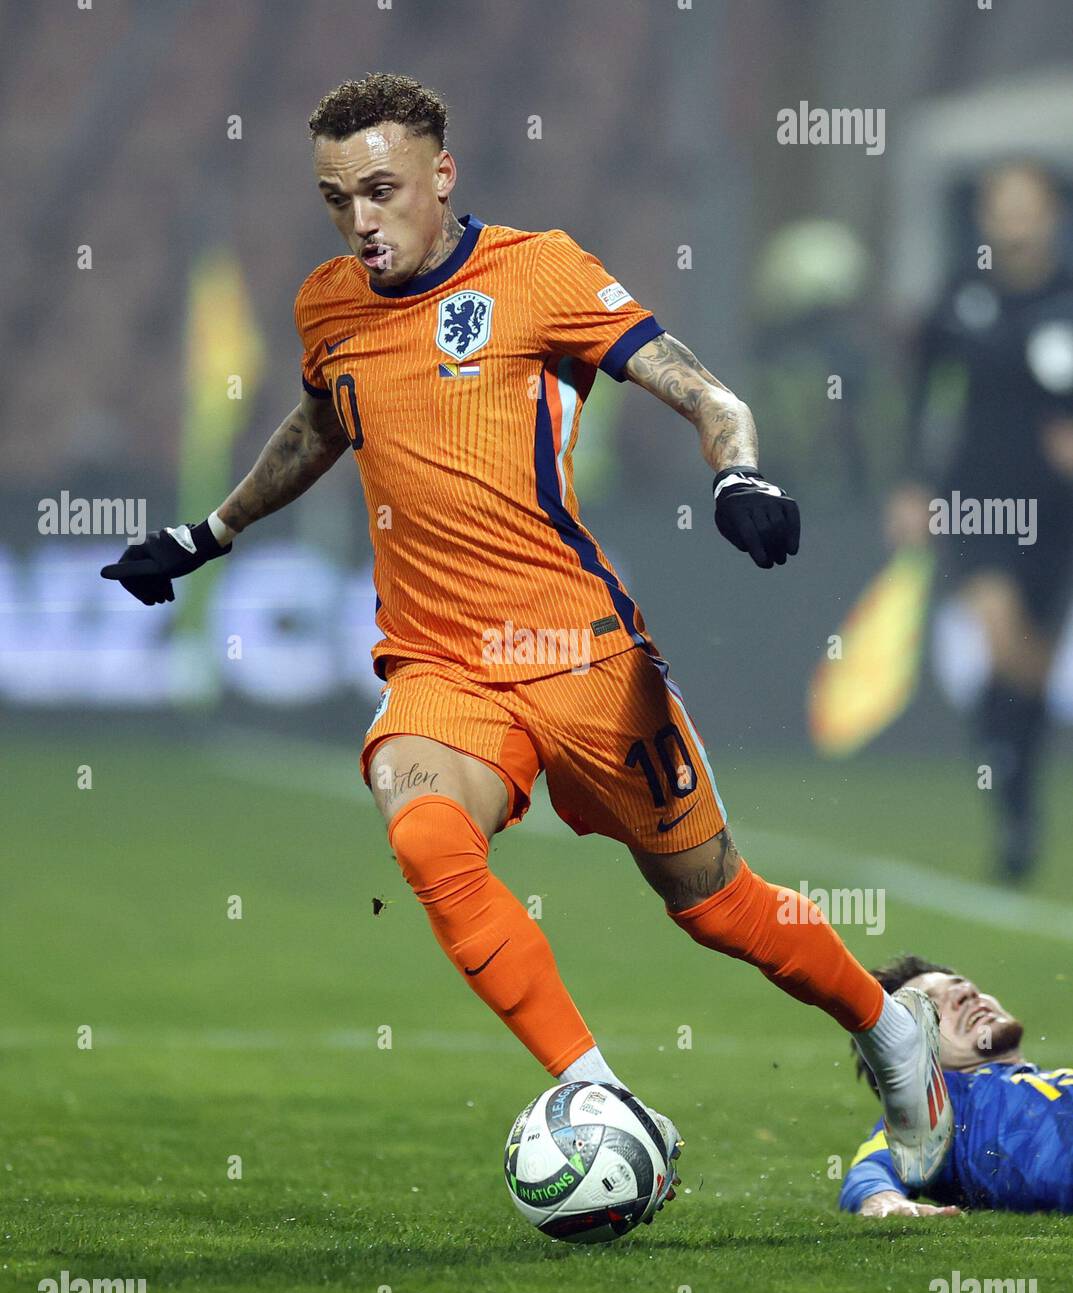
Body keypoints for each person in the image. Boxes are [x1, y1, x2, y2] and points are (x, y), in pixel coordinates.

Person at [101, 72, 950, 1232]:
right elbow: (322, 420)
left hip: (579, 653)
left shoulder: (537, 271)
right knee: (425, 835)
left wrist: (738, 476)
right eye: (337, 199)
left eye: (382, 191)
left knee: (713, 904)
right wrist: (210, 533)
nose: (360, 221)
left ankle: (887, 1030)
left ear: (441, 175)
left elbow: (704, 391)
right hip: (438, 665)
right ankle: (601, 1097)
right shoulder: (327, 306)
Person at [889, 161, 1073, 880]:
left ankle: (1017, 801)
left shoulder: (1066, 296)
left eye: (1027, 207)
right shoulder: (960, 297)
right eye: (1002, 207)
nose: (1014, 220)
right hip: (978, 502)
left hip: (1057, 509)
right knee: (1000, 637)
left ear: (1051, 214)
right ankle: (1012, 805)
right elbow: (921, 395)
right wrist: (913, 483)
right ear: (986, 218)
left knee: (1034, 665)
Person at [841, 954, 1072, 1217]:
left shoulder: (1056, 1077)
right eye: (930, 1005)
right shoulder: (936, 1112)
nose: (967, 992)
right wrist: (884, 1202)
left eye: (962, 984)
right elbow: (871, 1172)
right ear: (900, 1057)